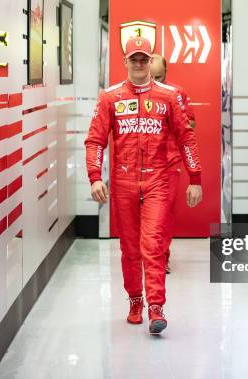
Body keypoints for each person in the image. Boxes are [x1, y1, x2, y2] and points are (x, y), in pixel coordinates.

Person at [85, 37, 203, 334]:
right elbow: (95, 140)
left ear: (150, 62)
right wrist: (95, 176)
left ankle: (156, 307)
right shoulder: (109, 97)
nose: (139, 64)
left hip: (158, 180)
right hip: (124, 183)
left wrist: (195, 178)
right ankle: (135, 300)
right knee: (129, 248)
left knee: (153, 244)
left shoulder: (169, 96)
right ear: (125, 62)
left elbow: (186, 138)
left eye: (143, 59)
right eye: (133, 59)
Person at [150, 54, 196, 274]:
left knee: (163, 213)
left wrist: (171, 121)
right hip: (140, 166)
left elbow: (191, 123)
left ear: (166, 72)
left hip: (169, 163)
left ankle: (161, 258)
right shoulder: (133, 94)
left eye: (159, 77)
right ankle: (148, 255)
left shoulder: (176, 94)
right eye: (152, 78)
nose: (155, 82)